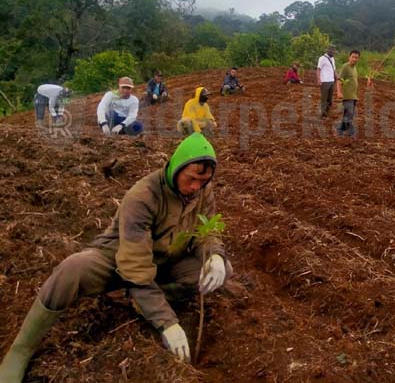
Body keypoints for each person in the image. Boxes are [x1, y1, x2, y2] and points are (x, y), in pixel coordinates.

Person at [0, 133, 232, 380]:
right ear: (177, 167)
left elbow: (206, 232)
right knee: (72, 269)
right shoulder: (143, 195)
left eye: (204, 181)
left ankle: (139, 300)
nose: (196, 186)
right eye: (192, 178)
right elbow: (134, 266)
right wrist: (168, 322)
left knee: (220, 270)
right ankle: (21, 349)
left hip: (164, 261)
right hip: (120, 259)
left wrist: (214, 255)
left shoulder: (202, 192)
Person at [336, 50, 360, 137]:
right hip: (347, 96)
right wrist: (339, 92)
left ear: (358, 59)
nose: (354, 59)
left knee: (349, 114)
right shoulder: (345, 66)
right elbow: (339, 80)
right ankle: (351, 133)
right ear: (349, 57)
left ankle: (340, 129)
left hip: (353, 96)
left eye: (356, 57)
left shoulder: (354, 68)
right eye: (353, 57)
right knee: (349, 114)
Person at [317, 45, 337, 118]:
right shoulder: (322, 58)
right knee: (324, 98)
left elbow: (334, 69)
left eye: (334, 52)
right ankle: (323, 113)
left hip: (331, 81)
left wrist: (337, 77)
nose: (333, 53)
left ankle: (327, 112)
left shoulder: (333, 59)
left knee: (329, 98)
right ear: (328, 51)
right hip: (324, 81)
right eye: (332, 52)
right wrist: (319, 79)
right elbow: (318, 69)